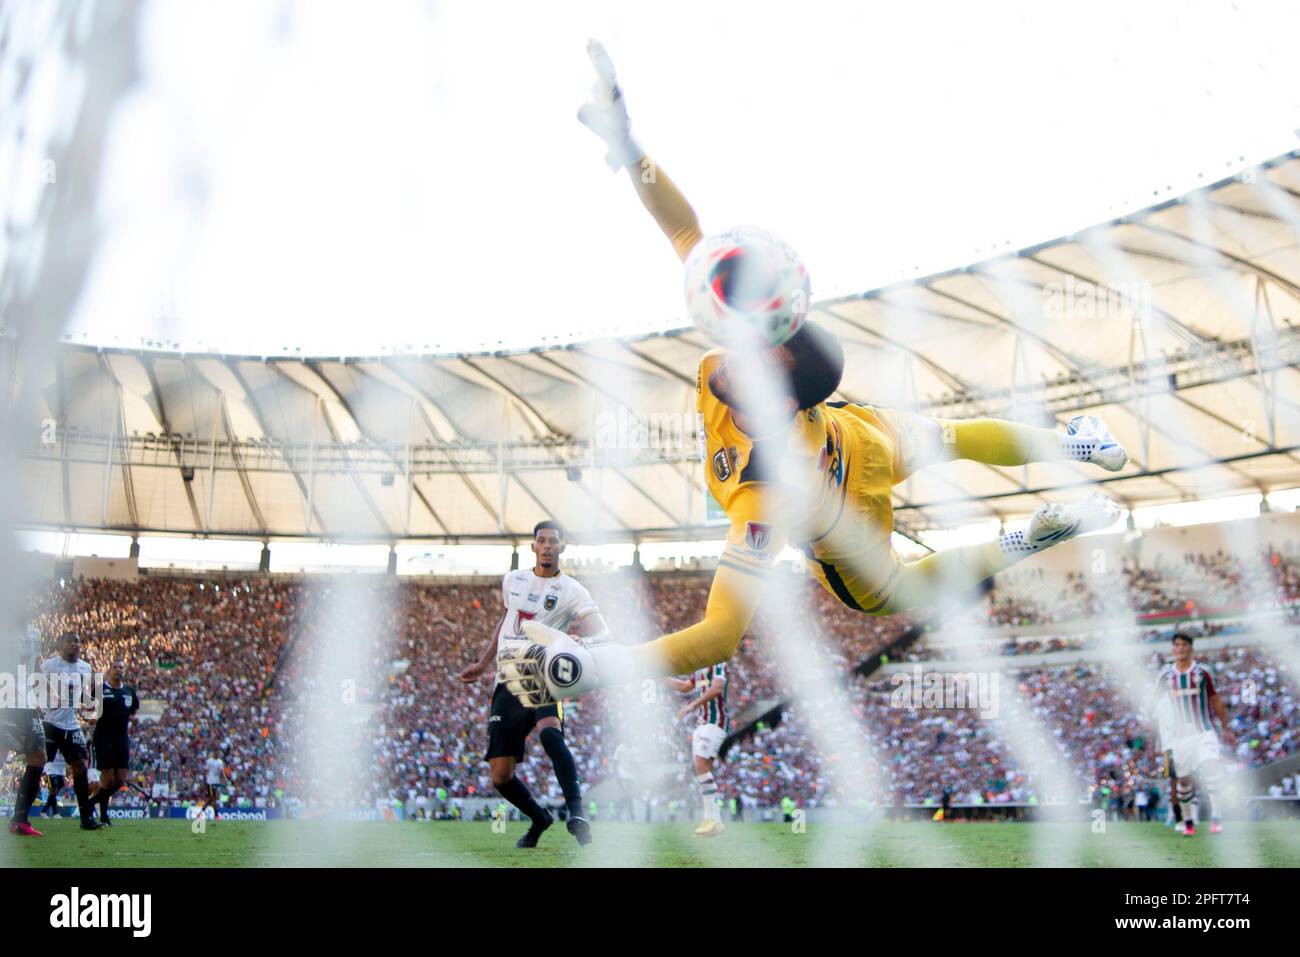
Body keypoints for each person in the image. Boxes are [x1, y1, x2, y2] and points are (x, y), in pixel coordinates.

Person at [501, 43, 1127, 708]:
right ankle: (1072, 446)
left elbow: (717, 636)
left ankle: (1033, 529)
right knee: (954, 436)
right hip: (860, 437)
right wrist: (628, 147)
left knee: (899, 590)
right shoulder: (749, 373)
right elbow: (687, 236)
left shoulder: (761, 500)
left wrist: (604, 669)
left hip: (844, 519)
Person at [457, 520, 610, 848]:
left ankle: (577, 812)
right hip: (507, 678)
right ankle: (539, 817)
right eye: (542, 541)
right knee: (501, 776)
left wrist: (574, 640)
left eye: (553, 541)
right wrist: (484, 663)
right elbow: (507, 620)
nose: (547, 546)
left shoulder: (572, 590)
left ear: (562, 547)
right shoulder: (513, 580)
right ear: (533, 547)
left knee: (550, 733)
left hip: (542, 673)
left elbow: (599, 629)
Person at [1149, 633, 1234, 836]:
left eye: (1184, 645)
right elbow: (1152, 703)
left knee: (1211, 766)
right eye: (1176, 645)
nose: (1180, 648)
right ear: (1173, 649)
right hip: (1179, 738)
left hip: (1203, 731)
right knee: (1183, 780)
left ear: (1190, 648)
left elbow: (1215, 700)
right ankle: (1187, 821)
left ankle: (1216, 818)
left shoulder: (1203, 672)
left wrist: (1226, 728)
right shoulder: (1165, 676)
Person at [38, 631, 105, 831]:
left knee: (81, 767)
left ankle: (86, 818)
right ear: (61, 645)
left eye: (77, 641)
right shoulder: (49, 665)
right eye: (70, 641)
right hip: (50, 723)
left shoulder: (86, 667)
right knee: (36, 766)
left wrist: (88, 710)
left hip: (71, 726)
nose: (75, 644)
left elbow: (83, 696)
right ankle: (21, 815)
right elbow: (36, 688)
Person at [665, 662, 729, 837]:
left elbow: (717, 688)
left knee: (701, 765)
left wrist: (692, 706)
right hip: (703, 723)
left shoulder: (717, 663)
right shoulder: (701, 670)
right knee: (701, 769)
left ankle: (713, 819)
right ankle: (712, 820)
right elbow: (684, 686)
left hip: (715, 722)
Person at [3, 626, 50, 836]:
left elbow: (35, 666)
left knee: (38, 757)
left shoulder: (34, 633)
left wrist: (45, 690)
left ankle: (19, 820)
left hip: (26, 704)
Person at [86, 660, 139, 825]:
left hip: (122, 738)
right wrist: (92, 718)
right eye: (115, 667)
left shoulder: (129, 691)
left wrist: (132, 719)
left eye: (121, 667)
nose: (118, 670)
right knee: (108, 780)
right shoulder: (101, 690)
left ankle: (88, 805)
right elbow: (89, 709)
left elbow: (133, 712)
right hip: (103, 738)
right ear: (109, 671)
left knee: (120, 780)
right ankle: (103, 815)